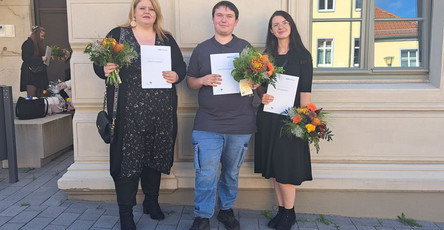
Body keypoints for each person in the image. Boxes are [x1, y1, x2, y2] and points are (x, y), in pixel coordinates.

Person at [92, 0, 186, 229]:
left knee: (155, 158)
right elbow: (99, 63)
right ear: (134, 11)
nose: (147, 11)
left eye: (151, 8)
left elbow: (181, 68)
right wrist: (103, 69)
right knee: (127, 163)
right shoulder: (118, 35)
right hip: (128, 114)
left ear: (157, 14)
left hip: (160, 113)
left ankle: (151, 203)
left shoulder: (166, 38)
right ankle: (126, 214)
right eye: (142, 7)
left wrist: (176, 75)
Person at [186, 1, 258, 230]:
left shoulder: (246, 48)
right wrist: (203, 80)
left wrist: (255, 83)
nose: (224, 19)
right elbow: (190, 82)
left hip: (240, 123)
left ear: (236, 21)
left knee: (230, 173)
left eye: (229, 16)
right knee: (205, 174)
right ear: (213, 19)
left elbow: (257, 80)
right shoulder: (202, 48)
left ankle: (226, 211)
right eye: (219, 15)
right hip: (208, 123)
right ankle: (203, 216)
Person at [254, 11, 314, 230]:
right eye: (275, 24)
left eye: (284, 23)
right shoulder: (266, 56)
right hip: (268, 115)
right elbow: (258, 84)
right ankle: (281, 210)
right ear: (271, 30)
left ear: (291, 26)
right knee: (275, 165)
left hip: (291, 118)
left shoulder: (303, 56)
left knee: (286, 167)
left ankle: (289, 213)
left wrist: (302, 120)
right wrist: (261, 94)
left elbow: (305, 92)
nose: (280, 27)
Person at [20, 26, 49, 97]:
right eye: (42, 36)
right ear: (36, 35)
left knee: (39, 95)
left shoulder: (39, 45)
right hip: (30, 73)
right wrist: (41, 59)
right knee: (32, 95)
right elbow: (26, 58)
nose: (43, 38)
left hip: (38, 73)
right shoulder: (28, 44)